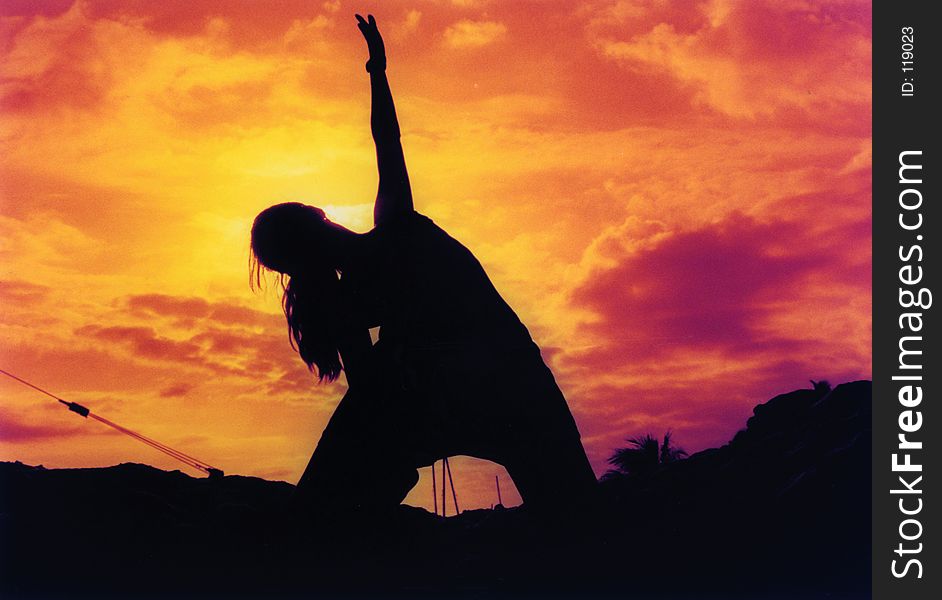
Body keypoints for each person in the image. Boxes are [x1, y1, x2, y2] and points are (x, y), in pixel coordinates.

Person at [250, 15, 597, 516]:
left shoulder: (346, 298)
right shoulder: (395, 230)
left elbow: (368, 401)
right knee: (580, 521)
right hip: (509, 387)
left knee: (336, 480)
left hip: (474, 394)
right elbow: (387, 142)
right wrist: (377, 71)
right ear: (320, 214)